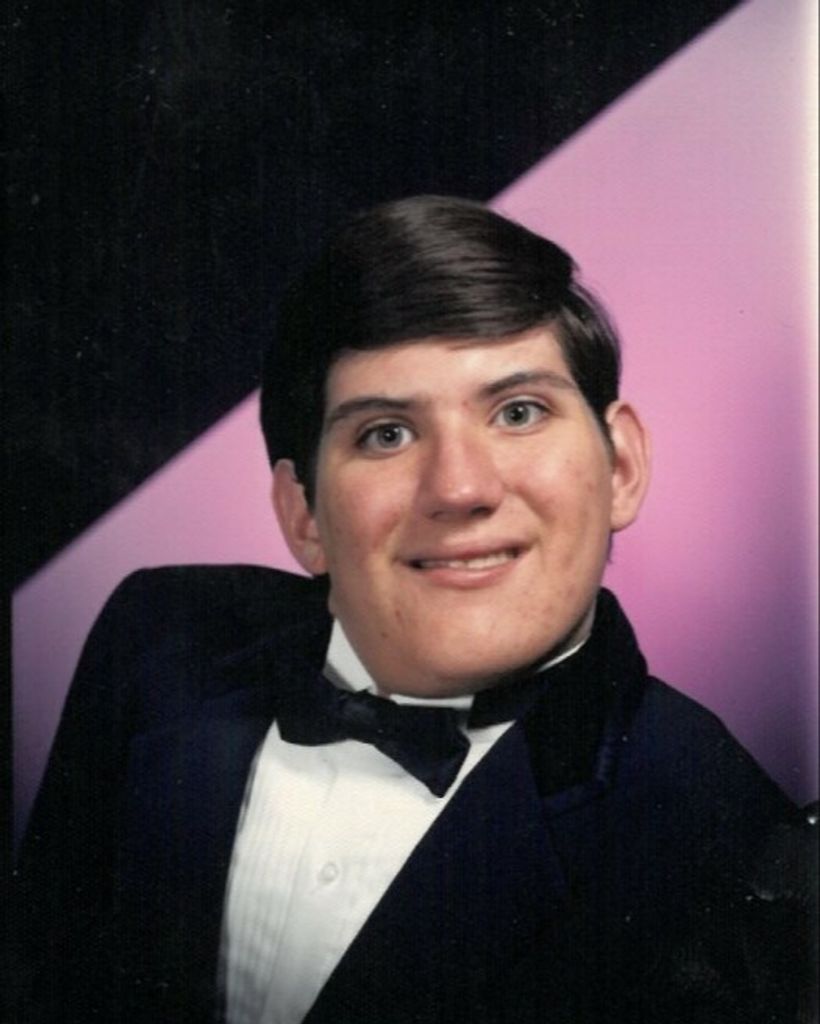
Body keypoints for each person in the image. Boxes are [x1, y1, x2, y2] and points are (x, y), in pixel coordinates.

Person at [14, 196, 804, 1023]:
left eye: (518, 413)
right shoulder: (156, 634)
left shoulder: (729, 848)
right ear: (303, 515)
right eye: (386, 433)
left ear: (621, 469)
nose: (459, 488)